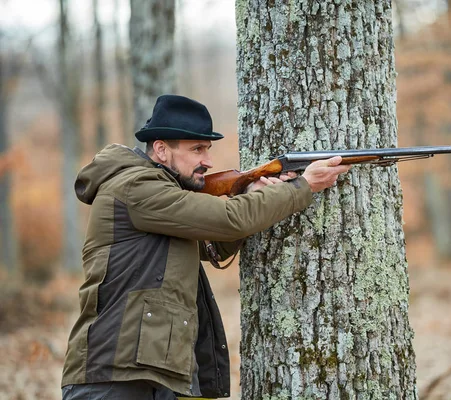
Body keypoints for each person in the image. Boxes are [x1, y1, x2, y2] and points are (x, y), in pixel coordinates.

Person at [61, 94, 350, 400]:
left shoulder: (160, 196)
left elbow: (215, 244)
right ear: (161, 148)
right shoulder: (136, 186)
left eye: (208, 150)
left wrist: (251, 191)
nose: (208, 161)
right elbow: (229, 220)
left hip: (150, 370)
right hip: (115, 375)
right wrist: (302, 186)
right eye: (197, 149)